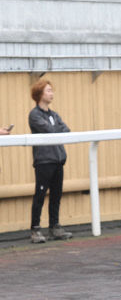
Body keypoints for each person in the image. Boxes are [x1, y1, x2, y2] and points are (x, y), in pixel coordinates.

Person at [28, 79, 73, 243]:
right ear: (40, 94)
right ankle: (35, 229)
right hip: (44, 161)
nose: (51, 93)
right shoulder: (34, 115)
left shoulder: (54, 115)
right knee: (40, 195)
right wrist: (57, 129)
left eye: (51, 91)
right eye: (48, 91)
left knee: (56, 195)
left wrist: (57, 129)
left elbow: (66, 130)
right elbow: (49, 130)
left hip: (58, 160)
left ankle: (55, 226)